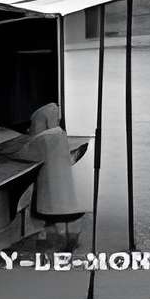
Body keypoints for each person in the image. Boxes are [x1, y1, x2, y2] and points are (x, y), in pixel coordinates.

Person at [17, 102, 87, 250]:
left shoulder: (43, 139)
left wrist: (6, 151)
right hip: (65, 185)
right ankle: (71, 241)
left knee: (54, 214)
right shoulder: (60, 135)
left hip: (51, 187)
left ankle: (53, 242)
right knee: (68, 214)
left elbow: (28, 154)